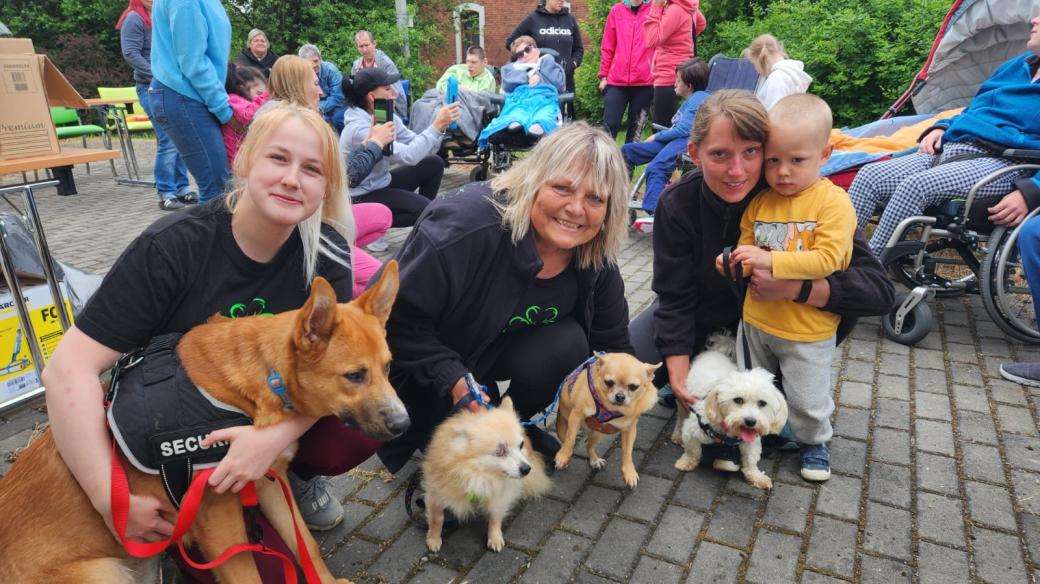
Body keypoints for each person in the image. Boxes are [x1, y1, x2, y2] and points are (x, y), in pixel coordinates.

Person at [41, 103, 374, 584]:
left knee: (359, 420)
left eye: (312, 169)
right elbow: (65, 371)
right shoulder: (171, 247)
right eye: (278, 159)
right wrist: (111, 500)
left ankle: (286, 476)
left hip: (256, 419)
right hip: (168, 443)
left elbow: (337, 366)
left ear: (328, 186)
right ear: (244, 160)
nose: (292, 180)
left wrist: (270, 442)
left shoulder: (327, 252)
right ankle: (180, 533)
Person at [627, 90, 893, 470]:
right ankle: (690, 381)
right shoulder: (678, 202)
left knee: (777, 416)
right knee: (635, 358)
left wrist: (798, 287)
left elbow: (879, 291)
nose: (737, 171)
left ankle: (789, 405)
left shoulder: (801, 197)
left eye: (751, 152)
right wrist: (678, 364)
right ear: (695, 151)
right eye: (719, 154)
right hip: (705, 318)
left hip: (781, 325)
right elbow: (673, 296)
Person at [376, 122, 634, 473]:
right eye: (562, 188)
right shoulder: (464, 228)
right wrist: (452, 378)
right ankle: (447, 419)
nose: (576, 209)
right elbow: (392, 320)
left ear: (609, 209)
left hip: (499, 348)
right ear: (533, 179)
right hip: (433, 359)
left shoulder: (594, 255)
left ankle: (518, 424)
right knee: (466, 490)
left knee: (569, 342)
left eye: (595, 198)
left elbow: (613, 344)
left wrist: (614, 403)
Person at [719, 93, 856, 482]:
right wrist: (734, 262)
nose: (782, 172)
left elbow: (828, 259)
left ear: (824, 154)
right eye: (774, 160)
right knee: (746, 392)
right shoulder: (761, 202)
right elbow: (747, 247)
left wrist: (769, 261)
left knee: (807, 399)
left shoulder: (833, 203)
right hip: (757, 321)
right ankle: (742, 442)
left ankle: (815, 442)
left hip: (807, 330)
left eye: (797, 160)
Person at [849, 17, 1040, 257]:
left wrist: (1032, 190)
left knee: (916, 186)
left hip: (1003, 163)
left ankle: (868, 272)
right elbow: (974, 110)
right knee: (869, 175)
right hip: (953, 148)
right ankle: (835, 260)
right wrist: (941, 127)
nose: (1034, 19)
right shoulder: (1015, 66)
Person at [266, 55, 394, 297]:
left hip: (320, 215)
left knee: (383, 215)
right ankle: (327, 269)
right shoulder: (299, 128)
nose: (322, 92)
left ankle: (341, 254)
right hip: (306, 231)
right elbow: (342, 179)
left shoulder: (276, 117)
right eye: (315, 84)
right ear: (296, 85)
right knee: (382, 283)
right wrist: (376, 144)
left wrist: (368, 144)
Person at [340, 68, 459, 230]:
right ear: (372, 97)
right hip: (360, 195)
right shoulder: (358, 129)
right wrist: (436, 126)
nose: (395, 93)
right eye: (388, 89)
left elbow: (418, 145)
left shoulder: (385, 115)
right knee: (427, 209)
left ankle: (424, 224)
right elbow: (410, 156)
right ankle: (374, 223)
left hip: (381, 183)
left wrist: (441, 125)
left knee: (433, 163)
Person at [149, 0, 236, 204]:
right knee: (217, 191)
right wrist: (225, 110)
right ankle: (211, 236)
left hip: (191, 95)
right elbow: (193, 62)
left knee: (222, 188)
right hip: (183, 95)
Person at [117, 0, 195, 211]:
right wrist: (158, 73)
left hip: (173, 85)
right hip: (151, 87)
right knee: (168, 139)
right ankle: (166, 192)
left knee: (179, 138)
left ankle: (182, 188)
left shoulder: (163, 16)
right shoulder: (134, 18)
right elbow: (130, 53)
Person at [621, 57, 709, 214]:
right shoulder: (692, 100)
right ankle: (618, 196)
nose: (674, 83)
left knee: (656, 168)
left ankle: (654, 214)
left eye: (678, 80)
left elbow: (684, 130)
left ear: (689, 86)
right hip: (675, 140)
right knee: (627, 151)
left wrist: (657, 136)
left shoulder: (699, 98)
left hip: (686, 141)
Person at [485, 36, 567, 143]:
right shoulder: (511, 69)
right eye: (520, 54)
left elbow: (560, 84)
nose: (525, 55)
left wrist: (540, 72)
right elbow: (507, 85)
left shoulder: (549, 64)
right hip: (520, 101)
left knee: (545, 114)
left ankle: (538, 126)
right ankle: (516, 123)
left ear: (537, 50)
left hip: (544, 101)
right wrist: (529, 75)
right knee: (515, 113)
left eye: (527, 50)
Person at [599, 0, 655, 144]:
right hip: (616, 81)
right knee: (609, 127)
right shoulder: (616, 11)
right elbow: (608, 46)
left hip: (645, 82)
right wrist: (604, 75)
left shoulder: (655, 9)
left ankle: (628, 166)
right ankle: (604, 164)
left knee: (635, 131)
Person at [644, 0, 705, 126]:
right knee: (671, 124)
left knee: (661, 127)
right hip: (680, 71)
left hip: (667, 74)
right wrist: (681, 38)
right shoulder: (687, 5)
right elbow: (701, 23)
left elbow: (651, 40)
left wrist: (656, 7)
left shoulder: (675, 10)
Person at [505, 0, 584, 93]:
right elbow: (510, 43)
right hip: (540, 82)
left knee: (566, 107)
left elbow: (578, 49)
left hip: (565, 81)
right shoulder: (533, 19)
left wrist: (574, 63)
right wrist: (528, 64)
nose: (562, 0)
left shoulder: (570, 19)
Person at [743, 34, 812, 111]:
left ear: (761, 58)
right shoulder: (791, 74)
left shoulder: (777, 79)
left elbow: (774, 115)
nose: (755, 69)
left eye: (753, 63)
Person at [351, 30, 408, 118]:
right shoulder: (356, 66)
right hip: (365, 108)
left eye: (367, 45)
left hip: (387, 107)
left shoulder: (386, 64)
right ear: (357, 47)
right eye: (361, 46)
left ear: (374, 43)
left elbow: (395, 93)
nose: (364, 50)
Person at [222, 64, 269, 165]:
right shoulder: (233, 99)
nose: (259, 97)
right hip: (237, 157)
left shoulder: (241, 101)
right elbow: (248, 115)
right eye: (259, 93)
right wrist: (266, 95)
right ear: (243, 88)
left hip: (243, 154)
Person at [298, 43, 345, 123]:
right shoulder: (301, 74)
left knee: (337, 118)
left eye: (316, 61)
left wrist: (318, 107)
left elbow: (338, 97)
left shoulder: (331, 71)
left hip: (335, 106)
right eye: (309, 63)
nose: (314, 65)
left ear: (320, 58)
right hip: (313, 107)